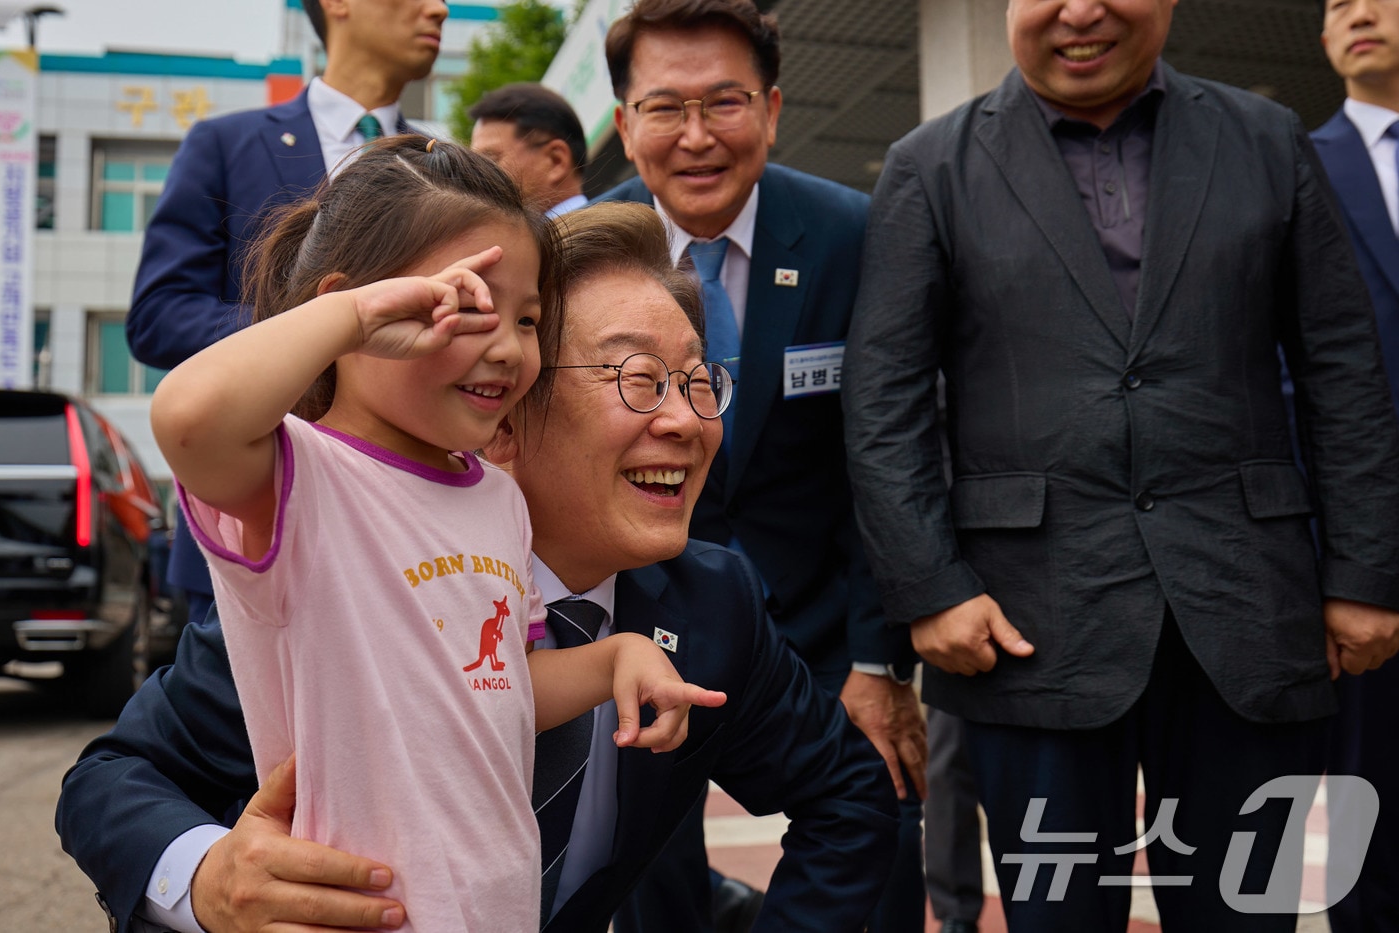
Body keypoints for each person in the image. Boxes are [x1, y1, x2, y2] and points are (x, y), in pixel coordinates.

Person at [56, 200, 900, 933]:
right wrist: (209, 879)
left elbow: (850, 798)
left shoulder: (712, 604)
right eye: (639, 379)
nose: (687, 421)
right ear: (498, 414)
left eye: (699, 379)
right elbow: (110, 781)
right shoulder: (347, 575)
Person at [841, 0, 1399, 930]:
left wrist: (1366, 570)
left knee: (1245, 913)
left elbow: (1341, 365)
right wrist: (930, 588)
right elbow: (884, 398)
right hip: (1027, 628)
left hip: (1249, 614)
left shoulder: (1266, 140)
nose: (1080, 11)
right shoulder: (930, 166)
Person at [148, 136, 722, 931]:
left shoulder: (495, 497)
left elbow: (498, 687)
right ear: (355, 309)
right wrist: (347, 318)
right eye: (462, 305)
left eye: (527, 319)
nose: (508, 348)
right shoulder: (295, 475)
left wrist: (614, 658)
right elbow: (185, 416)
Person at [597, 2, 926, 929]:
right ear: (624, 124)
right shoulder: (579, 253)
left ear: (774, 110)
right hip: (638, 621)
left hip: (826, 624)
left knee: (878, 827)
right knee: (644, 871)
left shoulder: (853, 234)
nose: (696, 137)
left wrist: (878, 659)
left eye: (725, 102)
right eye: (664, 108)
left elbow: (886, 452)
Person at [125, 0, 447, 633]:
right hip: (255, 514)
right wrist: (322, 330)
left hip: (411, 527)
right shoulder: (226, 144)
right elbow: (158, 315)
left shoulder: (441, 164)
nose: (437, 8)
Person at [1315, 0, 1399, 927]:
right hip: (1366, 560)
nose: (1359, 13)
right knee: (1370, 808)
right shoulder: (1292, 165)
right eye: (1337, 3)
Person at [469, 82, 589, 216]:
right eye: (475, 165)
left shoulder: (605, 235)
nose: (477, 177)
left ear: (556, 161)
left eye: (490, 161)